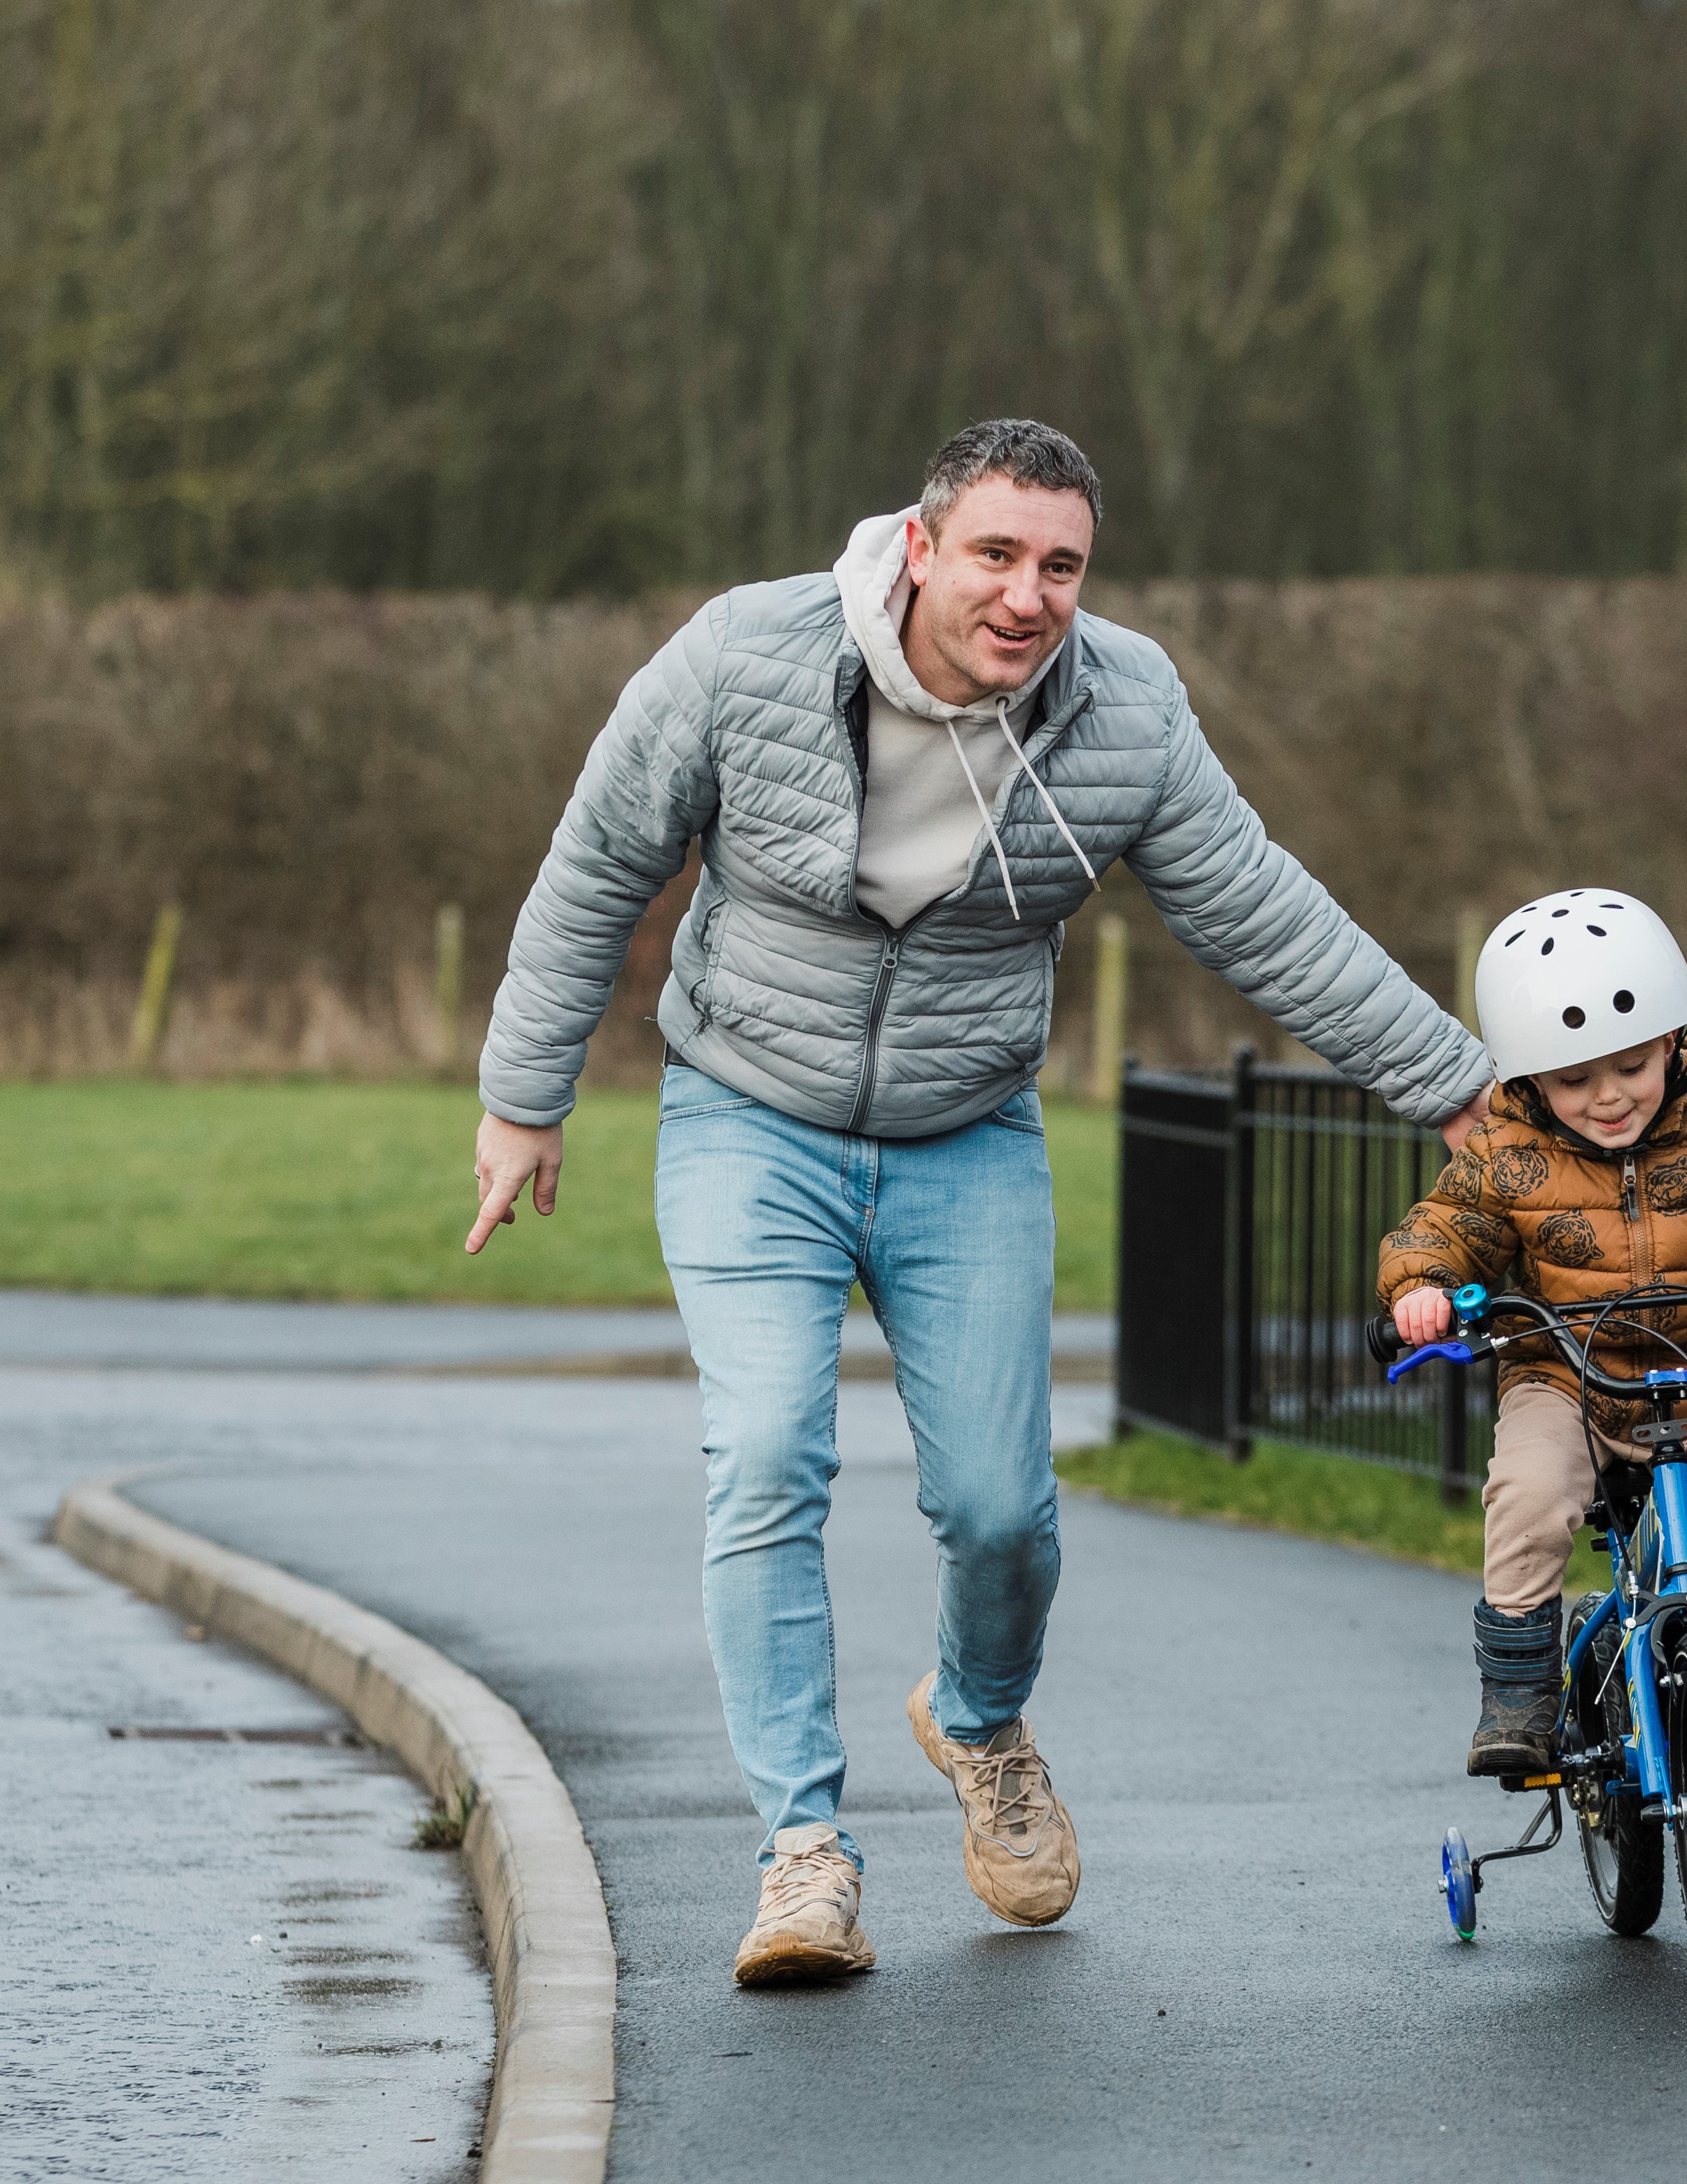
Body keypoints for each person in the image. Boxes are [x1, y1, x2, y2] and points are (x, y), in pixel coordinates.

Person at [467, 418, 1493, 1987]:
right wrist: (524, 1095)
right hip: (751, 1114)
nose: (1029, 596)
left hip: (967, 1137)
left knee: (1003, 1509)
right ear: (925, 545)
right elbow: (600, 861)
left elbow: (1266, 914)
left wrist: (1460, 1089)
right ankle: (803, 1855)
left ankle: (978, 1718)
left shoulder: (1124, 710)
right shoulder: (747, 653)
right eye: (1000, 555)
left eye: (1063, 566)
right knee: (761, 1459)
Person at [1376, 891, 1687, 1806]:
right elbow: (1443, 1227)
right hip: (1562, 1384)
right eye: (1575, 1080)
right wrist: (1419, 1290)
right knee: (1528, 1502)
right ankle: (1520, 1698)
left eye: (1630, 1065)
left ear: (1674, 1042)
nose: (1607, 1096)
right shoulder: (1506, 1155)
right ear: (1532, 1080)